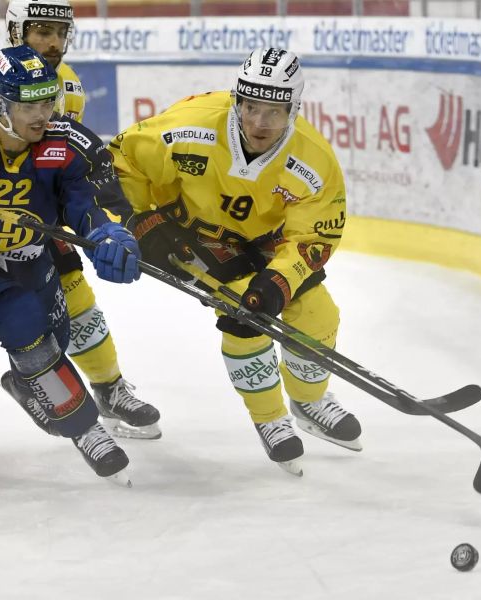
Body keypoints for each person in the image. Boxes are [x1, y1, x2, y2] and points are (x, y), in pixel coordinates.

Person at [0, 0, 160, 463]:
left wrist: (96, 218)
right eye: (40, 30)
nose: (53, 42)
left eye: (60, 31)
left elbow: (65, 155)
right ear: (15, 30)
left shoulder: (67, 82)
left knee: (71, 301)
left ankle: (104, 389)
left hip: (36, 214)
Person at [109, 48, 361, 476]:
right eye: (251, 107)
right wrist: (139, 219)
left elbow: (313, 236)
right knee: (245, 317)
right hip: (192, 238)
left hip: (265, 245)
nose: (259, 123)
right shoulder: (189, 125)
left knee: (318, 315)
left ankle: (308, 399)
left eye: (275, 112)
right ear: (237, 99)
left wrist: (278, 282)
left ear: (294, 108)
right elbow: (123, 160)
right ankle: (270, 419)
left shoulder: (313, 161)